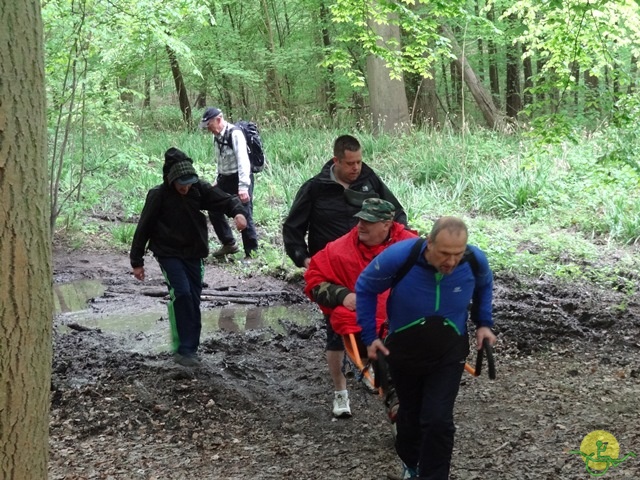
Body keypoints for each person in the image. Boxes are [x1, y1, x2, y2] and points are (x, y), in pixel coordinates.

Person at [355, 217, 496, 479]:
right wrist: (370, 336)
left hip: (448, 350)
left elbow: (485, 285)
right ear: (429, 243)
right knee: (410, 415)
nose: (451, 261)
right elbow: (365, 287)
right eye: (444, 253)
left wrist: (484, 323)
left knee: (438, 420)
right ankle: (411, 462)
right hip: (404, 350)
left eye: (457, 254)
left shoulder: (474, 260)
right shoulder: (401, 257)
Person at [283, 134, 407, 418]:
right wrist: (303, 258)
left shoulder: (369, 180)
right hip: (333, 270)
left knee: (384, 325)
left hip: (374, 265)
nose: (356, 168)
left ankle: (381, 378)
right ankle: (340, 391)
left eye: (359, 162)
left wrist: (395, 243)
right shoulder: (316, 188)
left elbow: (396, 213)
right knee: (337, 333)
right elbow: (292, 227)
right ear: (336, 160)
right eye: (350, 163)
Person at [130, 147, 247, 367]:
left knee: (193, 297)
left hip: (194, 252)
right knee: (181, 293)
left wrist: (238, 213)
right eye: (181, 183)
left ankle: (191, 348)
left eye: (189, 181)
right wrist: (137, 261)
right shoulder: (158, 195)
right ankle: (183, 349)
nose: (186, 187)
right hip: (168, 253)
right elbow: (143, 228)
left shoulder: (198, 189)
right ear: (171, 180)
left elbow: (225, 200)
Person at [304, 198, 417, 417]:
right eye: (360, 220)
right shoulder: (339, 249)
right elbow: (313, 279)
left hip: (398, 319)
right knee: (336, 332)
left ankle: (400, 396)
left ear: (387, 224)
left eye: (369, 221)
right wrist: (342, 295)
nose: (361, 226)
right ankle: (341, 392)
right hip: (355, 316)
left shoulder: (410, 245)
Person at [199, 107, 258, 259]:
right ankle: (229, 243)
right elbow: (220, 160)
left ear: (218, 120)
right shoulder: (216, 136)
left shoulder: (235, 134)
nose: (208, 129)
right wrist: (216, 180)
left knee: (244, 213)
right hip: (224, 178)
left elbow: (243, 161)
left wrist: (243, 187)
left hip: (240, 178)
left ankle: (251, 253)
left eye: (209, 125)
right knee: (214, 208)